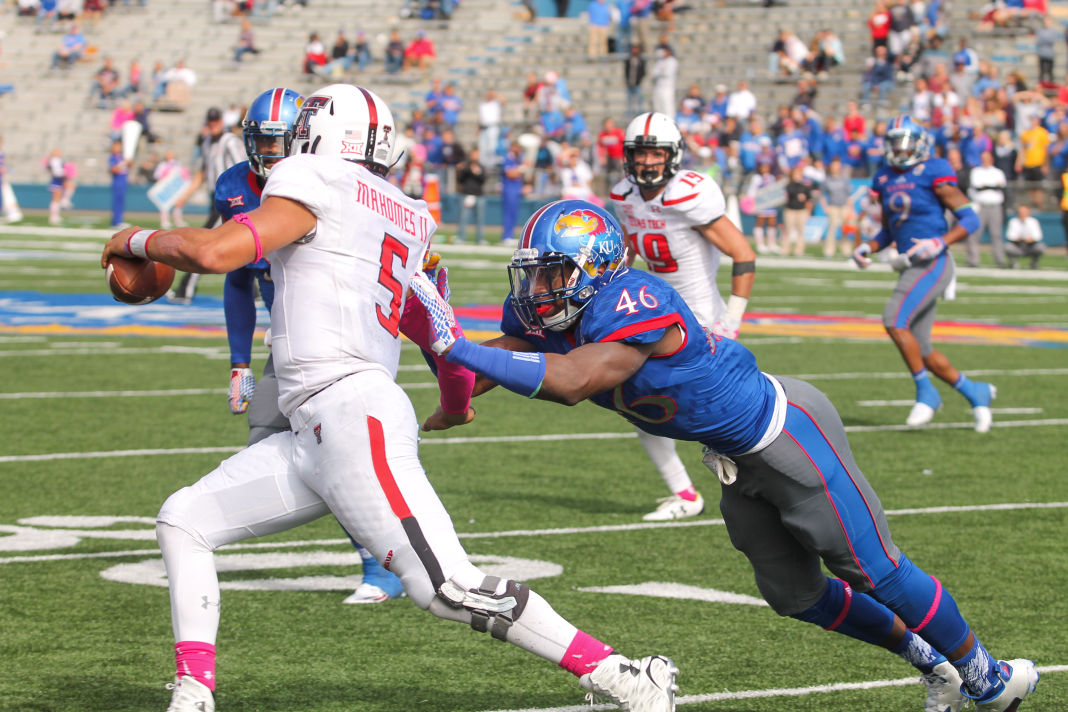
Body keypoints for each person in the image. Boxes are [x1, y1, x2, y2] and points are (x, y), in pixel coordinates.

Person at [100, 83, 678, 712]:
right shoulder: (405, 211)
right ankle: (193, 694)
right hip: (317, 424)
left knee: (448, 587)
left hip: (348, 413)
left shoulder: (313, 177)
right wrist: (455, 404)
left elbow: (215, 253)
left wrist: (135, 239)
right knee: (184, 519)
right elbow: (439, 331)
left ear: (320, 135)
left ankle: (625, 676)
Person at [410, 197, 1039, 712]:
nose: (539, 288)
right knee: (795, 597)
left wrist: (455, 344)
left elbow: (574, 380)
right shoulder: (552, 309)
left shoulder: (635, 300)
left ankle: (988, 676)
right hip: (733, 459)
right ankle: (928, 658)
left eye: (554, 273)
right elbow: (483, 367)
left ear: (597, 268)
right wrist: (435, 355)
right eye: (535, 272)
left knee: (874, 570)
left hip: (784, 431)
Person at [608, 111, 756, 521]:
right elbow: (628, 251)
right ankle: (686, 494)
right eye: (640, 153)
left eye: (656, 153)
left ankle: (752, 487)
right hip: (659, 317)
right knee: (637, 405)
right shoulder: (624, 195)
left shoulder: (689, 194)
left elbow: (742, 254)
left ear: (672, 155)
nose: (647, 162)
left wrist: (732, 321)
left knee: (714, 416)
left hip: (703, 320)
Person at [853, 115, 998, 432]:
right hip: (911, 263)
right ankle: (976, 392)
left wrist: (940, 241)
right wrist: (869, 247)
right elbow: (891, 229)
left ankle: (926, 393)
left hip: (934, 263)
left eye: (904, 142)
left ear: (920, 143)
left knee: (893, 318)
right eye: (894, 143)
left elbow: (970, 219)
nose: (899, 150)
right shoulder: (885, 177)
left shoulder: (935, 170)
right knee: (924, 351)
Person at [169, 107, 247, 303]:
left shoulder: (230, 141)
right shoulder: (206, 143)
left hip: (231, 198)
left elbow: (242, 167)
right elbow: (202, 173)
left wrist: (238, 197)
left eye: (216, 121)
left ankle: (185, 290)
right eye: (210, 121)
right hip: (216, 197)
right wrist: (184, 196)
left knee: (204, 243)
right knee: (238, 245)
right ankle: (253, 293)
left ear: (221, 122)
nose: (213, 125)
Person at [967, 150, 1008, 268]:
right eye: (983, 158)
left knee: (996, 234)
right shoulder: (976, 171)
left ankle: (999, 259)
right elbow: (977, 186)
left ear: (992, 159)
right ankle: (973, 260)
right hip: (980, 206)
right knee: (975, 234)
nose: (985, 160)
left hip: (995, 206)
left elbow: (1001, 186)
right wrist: (993, 186)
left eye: (987, 158)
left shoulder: (998, 172)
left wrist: (987, 186)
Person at [455, 147, 487, 244]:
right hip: (466, 194)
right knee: (463, 218)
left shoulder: (481, 166)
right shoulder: (465, 166)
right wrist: (467, 170)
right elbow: (460, 179)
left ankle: (480, 238)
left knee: (480, 219)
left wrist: (477, 173)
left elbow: (483, 180)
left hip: (478, 195)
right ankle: (461, 237)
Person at [1004, 204, 1046, 269]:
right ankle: (1013, 263)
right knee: (1007, 247)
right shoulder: (1013, 221)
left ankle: (1034, 263)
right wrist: (1018, 238)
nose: (1022, 214)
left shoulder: (1033, 221)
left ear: (1028, 212)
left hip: (1030, 246)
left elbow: (1038, 236)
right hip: (1018, 245)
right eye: (1021, 212)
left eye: (1024, 212)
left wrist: (1031, 239)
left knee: (1040, 247)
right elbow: (1010, 235)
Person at [108, 140, 131, 229]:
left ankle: (120, 220)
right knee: (117, 201)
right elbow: (113, 169)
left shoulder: (122, 157)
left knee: (121, 201)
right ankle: (115, 221)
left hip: (124, 179)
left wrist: (128, 162)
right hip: (117, 180)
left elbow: (129, 165)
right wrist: (123, 163)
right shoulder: (113, 157)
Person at [42, 148, 67, 225]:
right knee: (55, 200)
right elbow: (57, 172)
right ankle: (53, 217)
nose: (59, 153)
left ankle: (55, 216)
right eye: (57, 152)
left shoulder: (56, 160)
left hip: (58, 180)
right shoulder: (55, 160)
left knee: (56, 200)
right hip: (57, 180)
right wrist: (65, 174)